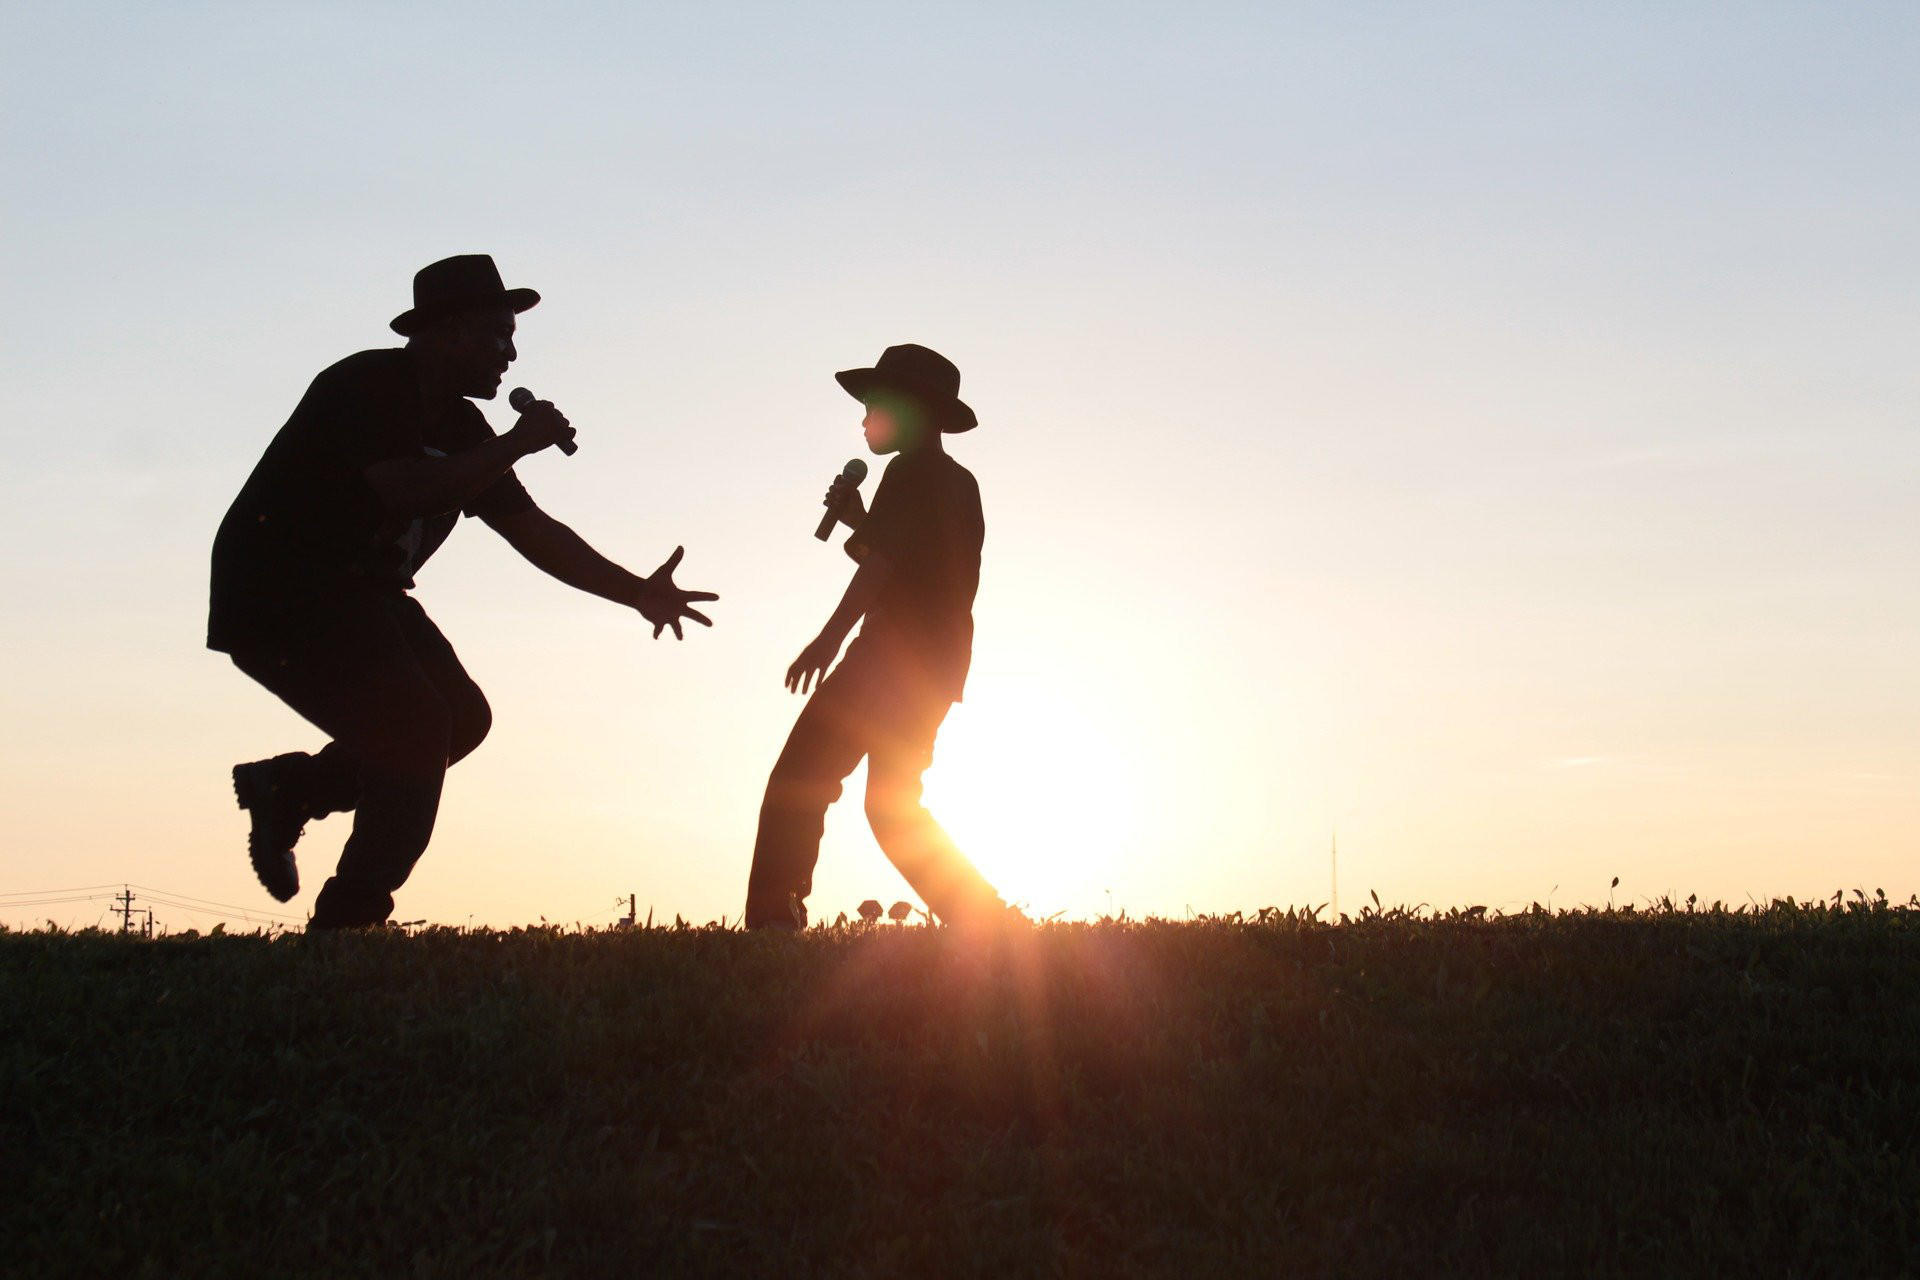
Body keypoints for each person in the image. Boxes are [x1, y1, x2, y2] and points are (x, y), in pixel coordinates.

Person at [208, 254, 716, 929]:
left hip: (364, 593)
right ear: (447, 332)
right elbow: (405, 486)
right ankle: (349, 923)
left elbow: (533, 531)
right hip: (281, 588)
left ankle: (292, 788)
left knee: (460, 719)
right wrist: (514, 444)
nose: (509, 354)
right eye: (497, 335)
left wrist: (637, 593)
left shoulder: (464, 430)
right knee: (416, 728)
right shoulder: (365, 386)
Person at [744, 343, 1009, 931]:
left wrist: (827, 640)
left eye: (878, 405)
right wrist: (860, 521)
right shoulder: (953, 482)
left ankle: (772, 923)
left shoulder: (910, 472)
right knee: (891, 806)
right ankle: (986, 920)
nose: (866, 418)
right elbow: (915, 564)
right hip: (935, 668)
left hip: (887, 662)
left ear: (917, 412)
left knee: (798, 781)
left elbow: (883, 568)